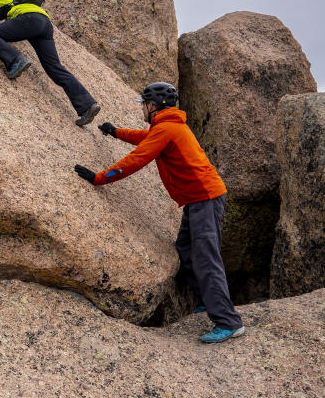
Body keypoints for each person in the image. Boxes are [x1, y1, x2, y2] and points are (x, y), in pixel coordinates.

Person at [73, 81, 245, 344]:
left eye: (144, 104)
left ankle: (228, 321)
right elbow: (146, 139)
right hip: (198, 199)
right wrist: (117, 132)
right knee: (186, 249)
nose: (142, 108)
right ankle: (205, 301)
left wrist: (100, 178)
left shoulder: (166, 128)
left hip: (204, 199)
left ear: (153, 106)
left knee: (205, 258)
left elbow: (137, 159)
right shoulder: (168, 126)